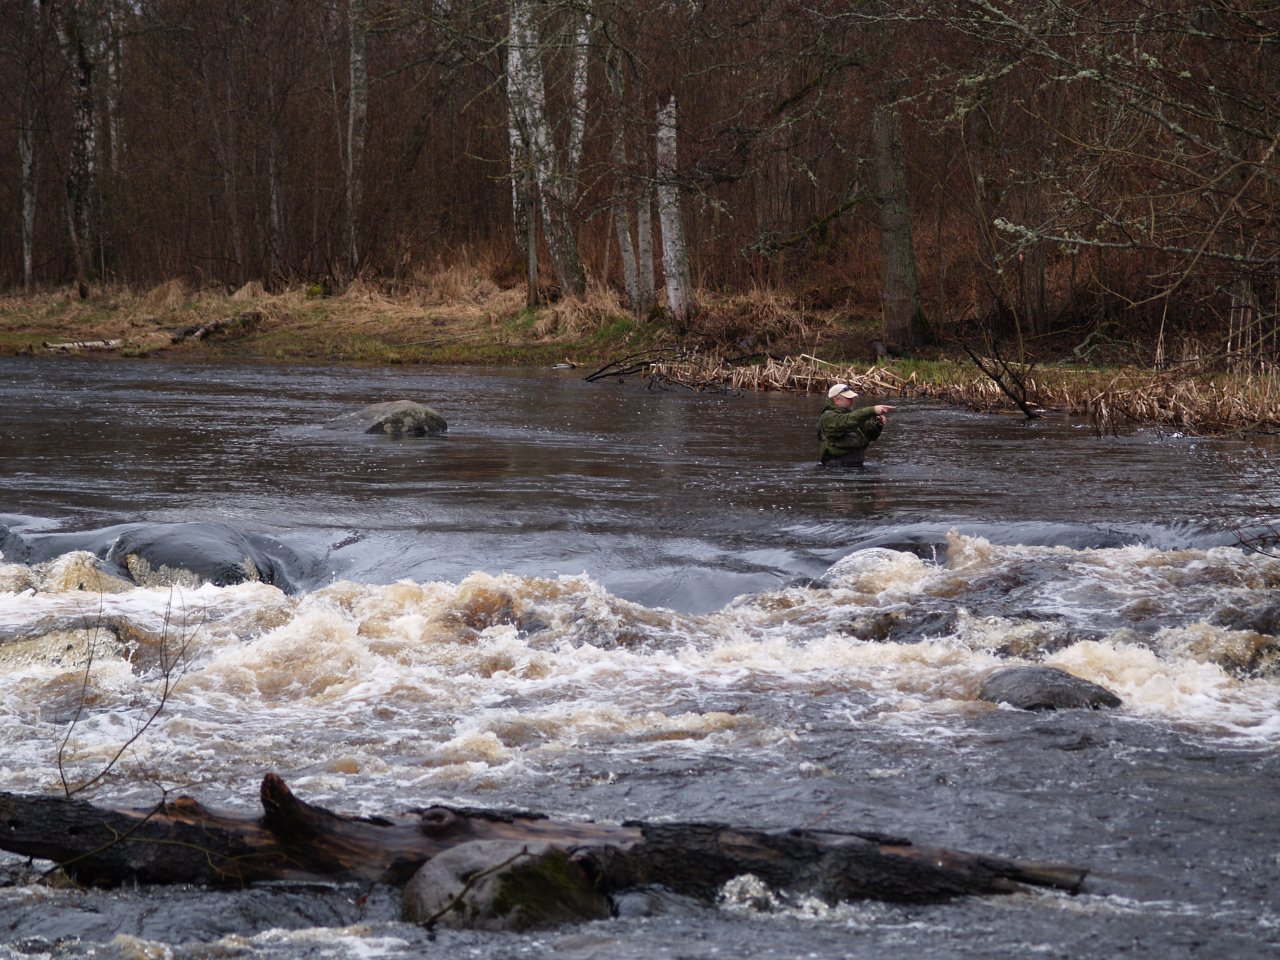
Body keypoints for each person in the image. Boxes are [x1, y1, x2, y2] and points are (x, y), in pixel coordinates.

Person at [818, 383, 894, 467]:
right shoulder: (828, 417)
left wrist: (877, 423)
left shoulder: (854, 417)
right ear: (837, 400)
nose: (852, 401)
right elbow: (848, 420)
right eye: (849, 398)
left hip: (855, 466)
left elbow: (870, 436)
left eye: (852, 398)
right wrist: (872, 410)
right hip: (835, 468)